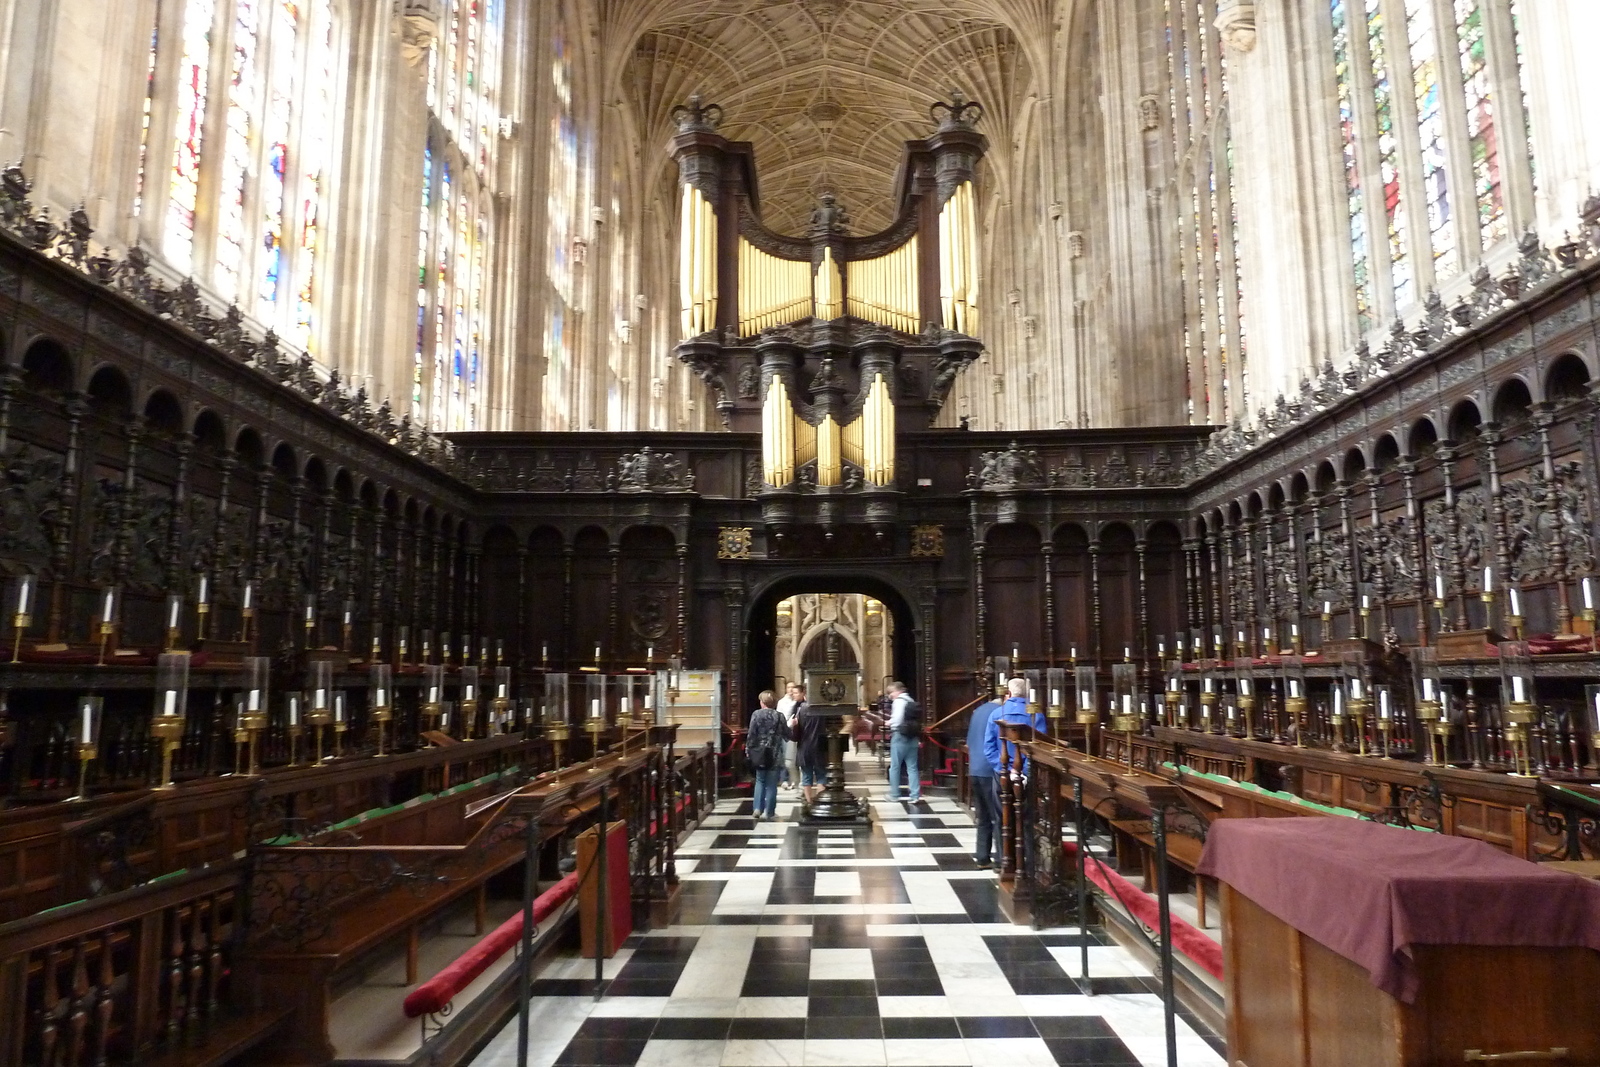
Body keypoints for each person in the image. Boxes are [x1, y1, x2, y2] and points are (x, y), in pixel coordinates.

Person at [983, 677, 1048, 781]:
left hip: (1002, 773)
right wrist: (1024, 771)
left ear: (1008, 693)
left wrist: (1004, 769)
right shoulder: (1037, 715)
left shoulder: (996, 714)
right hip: (1028, 774)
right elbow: (1040, 748)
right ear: (1027, 693)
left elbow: (989, 747)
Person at [965, 694, 1001, 868]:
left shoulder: (978, 711)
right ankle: (1001, 859)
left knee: (983, 816)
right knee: (998, 816)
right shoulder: (1000, 712)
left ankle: (982, 856)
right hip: (990, 769)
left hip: (975, 768)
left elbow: (970, 740)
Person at [745, 690, 789, 821]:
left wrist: (749, 750)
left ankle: (757, 808)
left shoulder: (756, 714)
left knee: (760, 780)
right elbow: (787, 735)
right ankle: (769, 812)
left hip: (759, 753)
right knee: (771, 783)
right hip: (774, 753)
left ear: (762, 702)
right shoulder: (779, 716)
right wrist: (792, 726)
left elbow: (751, 734)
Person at [885, 680, 922, 803]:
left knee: (895, 767)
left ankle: (894, 794)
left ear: (898, 691)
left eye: (891, 693)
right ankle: (915, 795)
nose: (890, 696)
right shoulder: (911, 701)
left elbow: (897, 719)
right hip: (913, 736)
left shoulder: (899, 701)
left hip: (900, 735)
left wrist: (889, 723)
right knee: (912, 767)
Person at [790, 684, 826, 805]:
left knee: (806, 776)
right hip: (820, 745)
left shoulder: (801, 709)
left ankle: (809, 802)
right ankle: (820, 801)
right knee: (821, 775)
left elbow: (797, 730)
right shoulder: (822, 709)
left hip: (804, 745)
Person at [776, 682, 800, 790]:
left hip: (794, 731)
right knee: (784, 756)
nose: (790, 690)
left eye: (793, 688)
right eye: (789, 687)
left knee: (793, 757)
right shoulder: (782, 702)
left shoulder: (797, 702)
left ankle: (794, 780)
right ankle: (784, 779)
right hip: (784, 730)